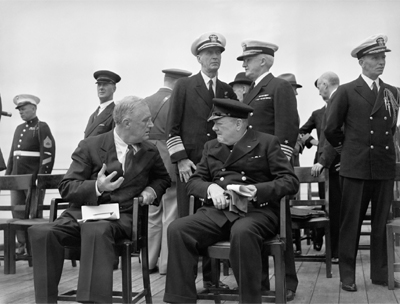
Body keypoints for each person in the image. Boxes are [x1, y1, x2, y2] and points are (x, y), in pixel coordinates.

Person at [28, 97, 171, 303]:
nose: (151, 125)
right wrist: (97, 186)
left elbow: (162, 178)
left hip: (122, 217)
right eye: (146, 120)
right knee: (42, 233)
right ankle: (45, 300)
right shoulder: (90, 146)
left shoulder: (149, 150)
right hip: (84, 213)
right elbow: (66, 187)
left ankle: (92, 301)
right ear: (127, 122)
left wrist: (151, 190)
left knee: (97, 229)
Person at [164, 98, 299, 304]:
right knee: (178, 229)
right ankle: (180, 299)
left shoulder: (266, 142)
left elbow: (289, 181)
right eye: (213, 123)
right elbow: (193, 182)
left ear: (238, 124)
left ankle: (250, 299)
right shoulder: (211, 146)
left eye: (219, 123)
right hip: (218, 212)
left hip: (256, 212)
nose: (214, 128)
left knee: (242, 231)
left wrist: (257, 190)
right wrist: (211, 187)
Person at [325, 34, 399, 291]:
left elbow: (390, 127)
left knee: (381, 223)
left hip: (382, 167)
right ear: (361, 61)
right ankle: (348, 275)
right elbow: (331, 129)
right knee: (351, 224)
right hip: (355, 168)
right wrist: (348, 151)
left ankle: (379, 273)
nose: (381, 63)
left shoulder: (392, 92)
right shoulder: (346, 91)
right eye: (375, 58)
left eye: (383, 58)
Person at [166, 31, 236, 290]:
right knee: (186, 226)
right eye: (208, 53)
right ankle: (184, 285)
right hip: (190, 170)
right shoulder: (184, 86)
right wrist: (182, 161)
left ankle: (211, 281)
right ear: (199, 58)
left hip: (218, 171)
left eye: (218, 53)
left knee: (213, 224)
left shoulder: (227, 89)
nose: (214, 57)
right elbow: (171, 129)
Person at [238, 40, 299, 300]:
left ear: (263, 60)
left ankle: (287, 284)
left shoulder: (279, 86)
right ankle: (260, 284)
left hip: (274, 171)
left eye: (247, 59)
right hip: (254, 173)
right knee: (254, 229)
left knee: (282, 228)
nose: (243, 64)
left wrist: (280, 166)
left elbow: (288, 129)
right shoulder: (252, 90)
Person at [144, 68, 192, 275]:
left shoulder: (145, 101)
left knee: (152, 214)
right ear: (179, 84)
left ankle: (149, 261)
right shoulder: (176, 101)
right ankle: (166, 264)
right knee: (170, 214)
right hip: (169, 162)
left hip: (146, 163)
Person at [6, 94, 55, 255]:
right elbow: (13, 155)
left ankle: (34, 247)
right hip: (16, 180)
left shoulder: (42, 127)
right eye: (19, 110)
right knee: (17, 213)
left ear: (33, 108)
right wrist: (8, 178)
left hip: (32, 180)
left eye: (23, 109)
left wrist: (41, 178)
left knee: (33, 214)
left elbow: (47, 154)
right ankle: (22, 245)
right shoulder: (19, 129)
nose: (21, 112)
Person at [311, 72, 341, 262]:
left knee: (336, 209)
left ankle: (336, 252)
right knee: (332, 208)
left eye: (319, 86)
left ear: (325, 84)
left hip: (335, 165)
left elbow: (334, 133)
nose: (318, 90)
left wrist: (323, 161)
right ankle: (334, 250)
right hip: (332, 163)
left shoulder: (337, 101)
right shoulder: (330, 104)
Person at [84, 70, 121, 138]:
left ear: (114, 89)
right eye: (99, 84)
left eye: (105, 84)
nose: (101, 88)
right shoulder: (93, 116)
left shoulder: (116, 114)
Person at [277, 73, 303, 167]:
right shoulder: (278, 109)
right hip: (282, 157)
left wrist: (298, 146)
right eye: (294, 89)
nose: (296, 93)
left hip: (292, 156)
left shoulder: (291, 109)